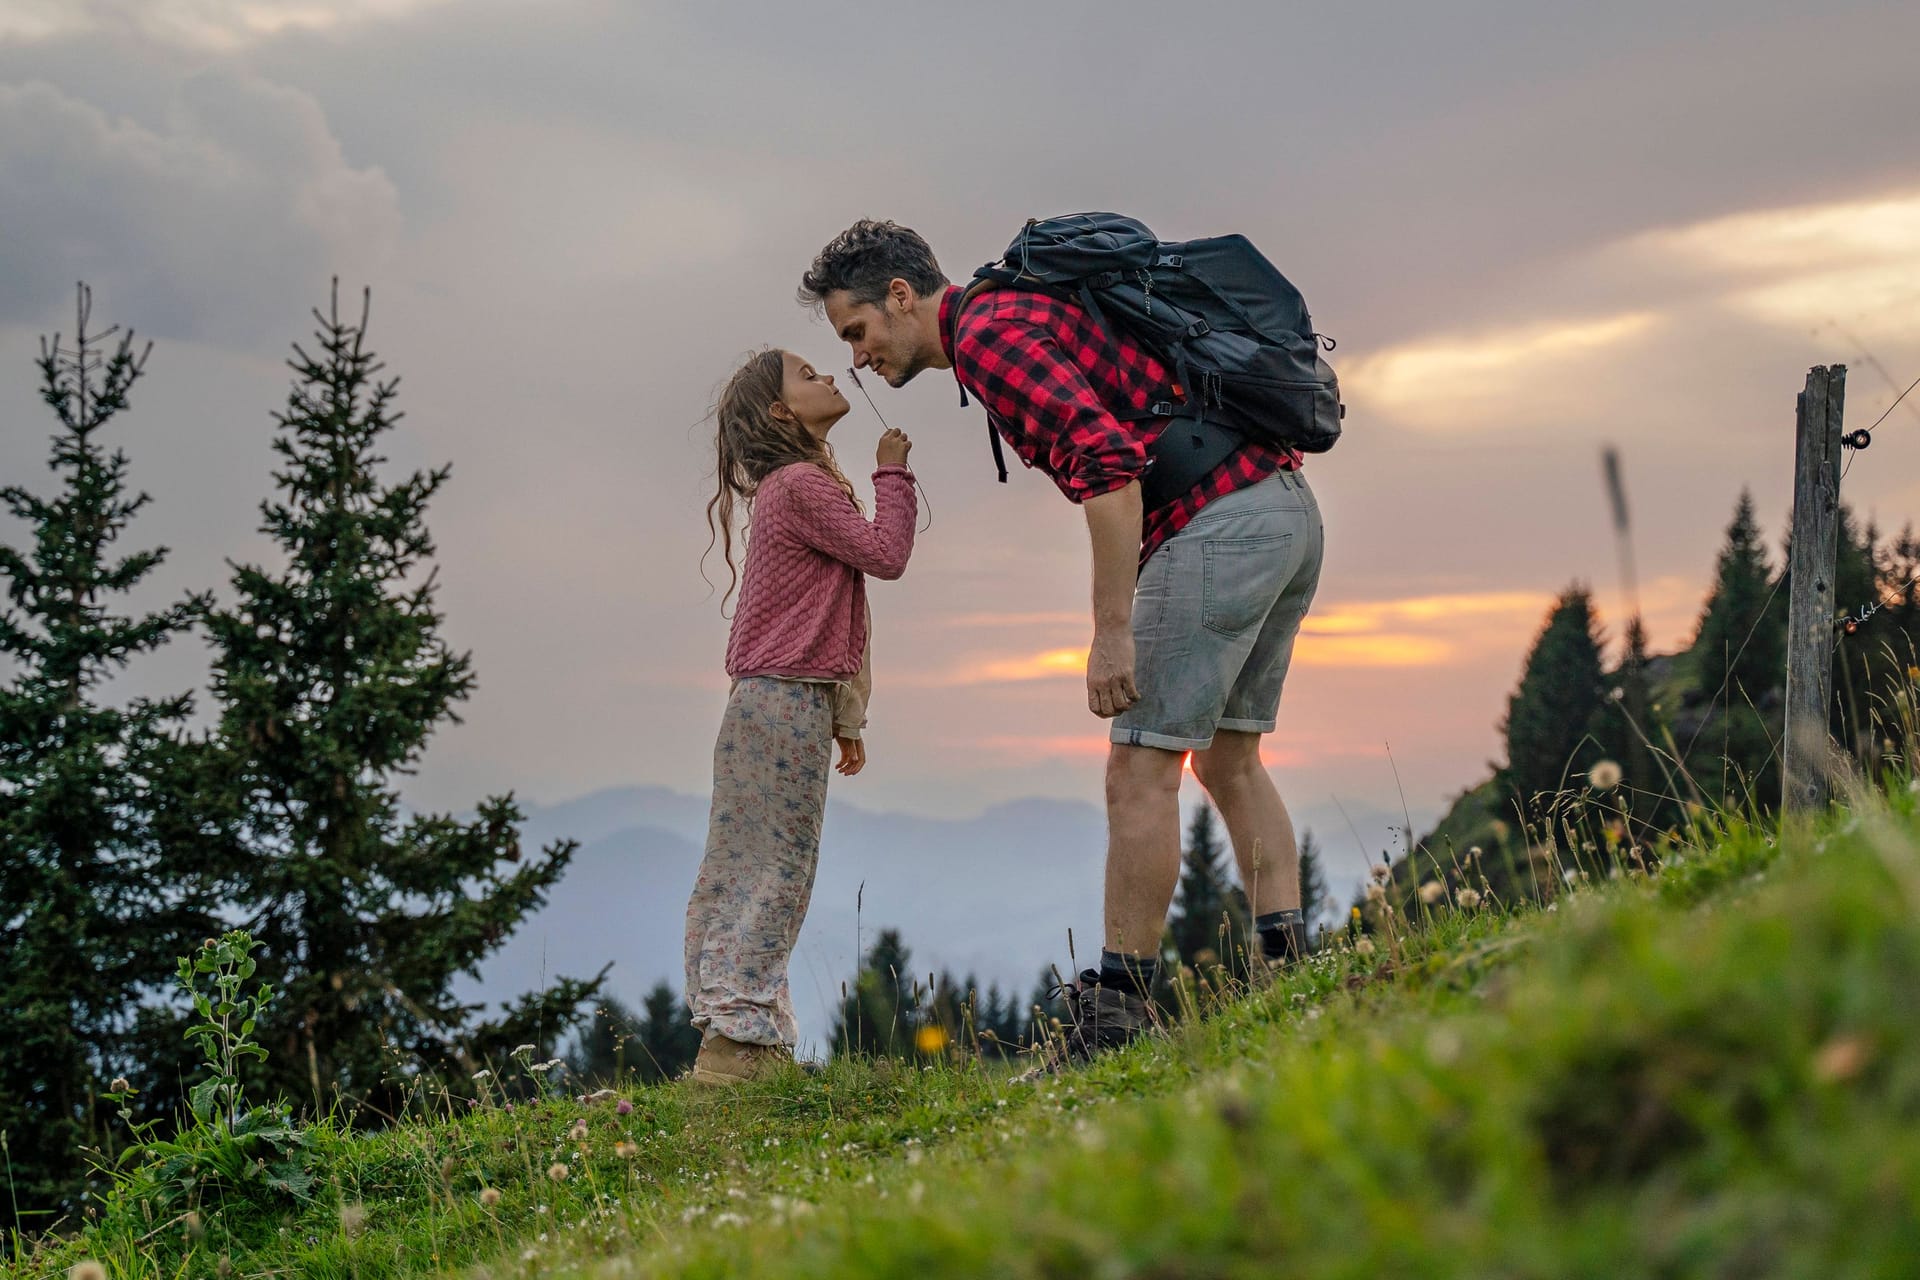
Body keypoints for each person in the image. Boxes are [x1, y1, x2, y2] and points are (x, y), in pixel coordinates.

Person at [798, 220, 1323, 1070]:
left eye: (856, 331)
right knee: (1231, 759)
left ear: (901, 296)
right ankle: (1292, 972)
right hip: (1284, 509)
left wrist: (1112, 633)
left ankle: (1116, 1015)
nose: (858, 357)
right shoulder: (1020, 309)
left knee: (1139, 770)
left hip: (1220, 525)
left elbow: (1109, 469)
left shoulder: (992, 335)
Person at [684, 346, 916, 1084]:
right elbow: (886, 556)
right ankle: (737, 1044)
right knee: (776, 870)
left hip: (774, 699)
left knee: (746, 867)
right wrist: (893, 471)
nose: (826, 376)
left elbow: (830, 606)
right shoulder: (801, 485)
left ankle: (747, 1040)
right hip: (783, 699)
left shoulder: (792, 486)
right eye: (807, 375)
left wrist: (845, 716)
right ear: (783, 413)